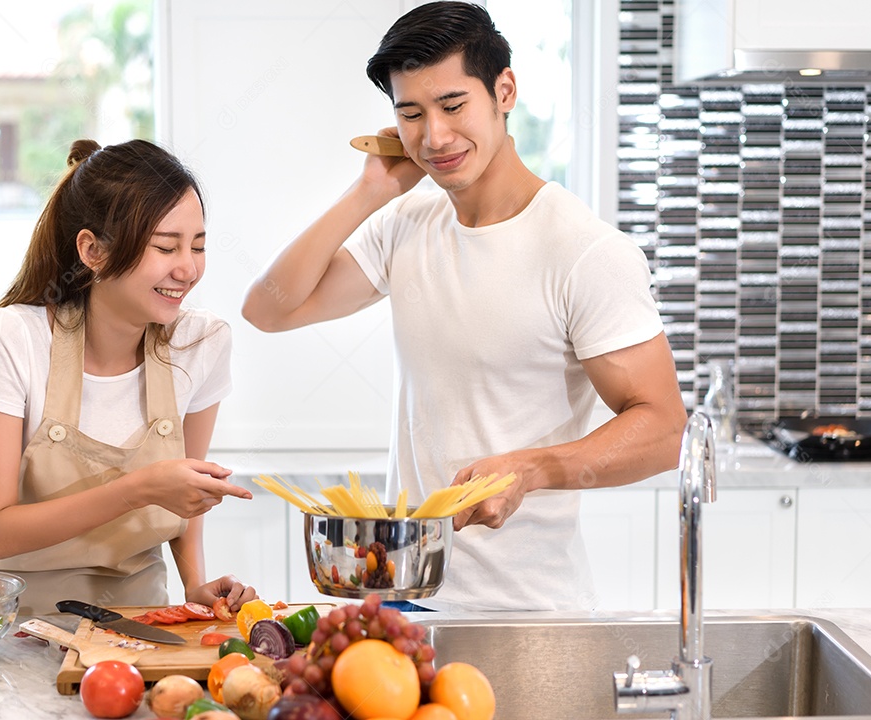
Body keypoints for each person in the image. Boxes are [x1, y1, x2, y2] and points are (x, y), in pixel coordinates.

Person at [242, 2, 687, 611]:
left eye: (453, 106)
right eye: (411, 114)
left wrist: (532, 469)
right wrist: (367, 192)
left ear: (503, 90)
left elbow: (664, 429)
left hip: (526, 614)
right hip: (402, 601)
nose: (435, 137)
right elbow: (269, 309)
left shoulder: (584, 251)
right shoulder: (407, 222)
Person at [0, 138, 258, 617]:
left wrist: (194, 584)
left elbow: (187, 495)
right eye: (166, 246)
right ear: (92, 250)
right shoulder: (15, 337)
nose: (187, 268)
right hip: (12, 623)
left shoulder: (201, 342)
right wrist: (138, 489)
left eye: (198, 246)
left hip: (138, 622)